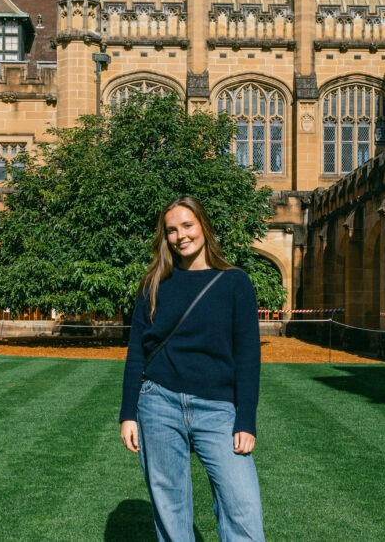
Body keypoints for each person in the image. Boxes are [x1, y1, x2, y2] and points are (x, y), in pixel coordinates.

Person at [120, 196, 265, 541]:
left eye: (187, 225)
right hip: (158, 404)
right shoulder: (153, 284)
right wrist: (128, 413)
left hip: (218, 410)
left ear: (203, 226)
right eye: (171, 230)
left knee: (242, 507)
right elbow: (136, 354)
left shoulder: (235, 283)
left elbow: (248, 356)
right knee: (170, 509)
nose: (180, 236)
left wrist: (246, 419)